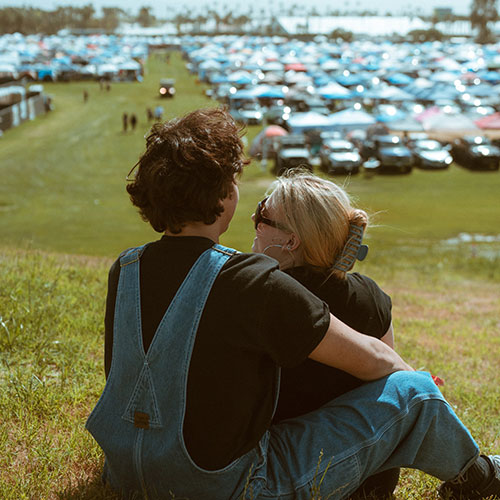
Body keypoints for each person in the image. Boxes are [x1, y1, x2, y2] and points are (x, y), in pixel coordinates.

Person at [86, 107, 499, 500]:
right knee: (414, 391)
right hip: (228, 487)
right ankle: (479, 476)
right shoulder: (248, 280)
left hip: (126, 473)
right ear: (223, 196)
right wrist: (418, 382)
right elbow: (375, 359)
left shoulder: (127, 267)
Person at [251, 170, 399, 498]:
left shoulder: (268, 296)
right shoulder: (371, 295)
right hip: (372, 478)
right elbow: (390, 389)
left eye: (263, 214)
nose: (253, 218)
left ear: (291, 241)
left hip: (291, 477)